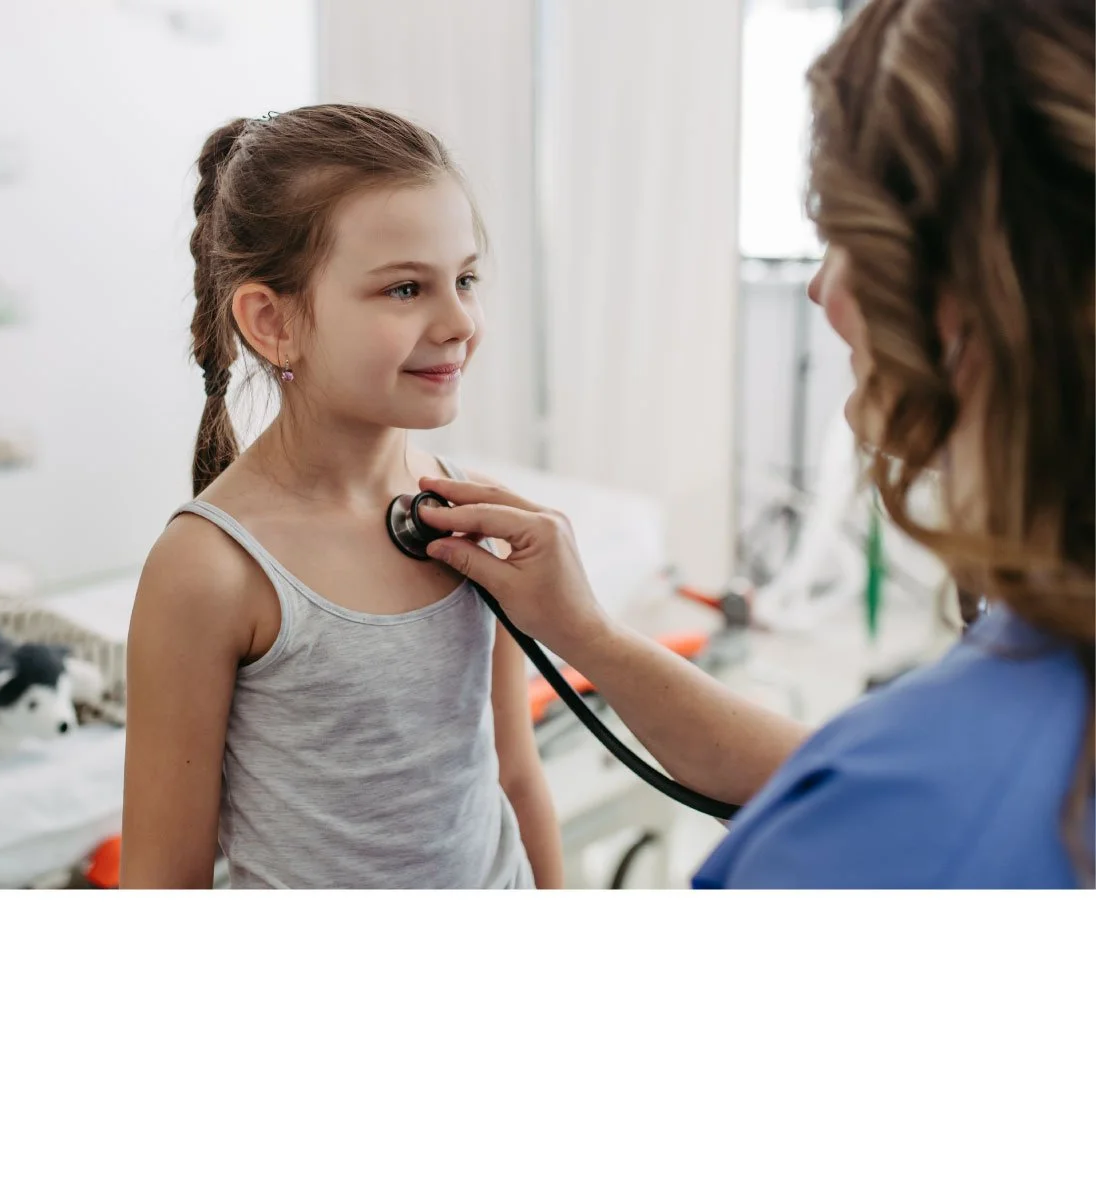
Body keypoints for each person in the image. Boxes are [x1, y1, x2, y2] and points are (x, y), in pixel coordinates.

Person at [417, 0, 1094, 889]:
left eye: (844, 239)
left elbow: (880, 809)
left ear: (971, 282)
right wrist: (590, 634)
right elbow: (826, 775)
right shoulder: (1006, 703)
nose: (818, 289)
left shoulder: (917, 818)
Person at [121, 106, 561, 889]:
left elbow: (515, 776)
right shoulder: (209, 570)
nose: (459, 321)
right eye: (404, 289)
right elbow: (164, 883)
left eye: (464, 279)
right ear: (273, 322)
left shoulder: (461, 509)